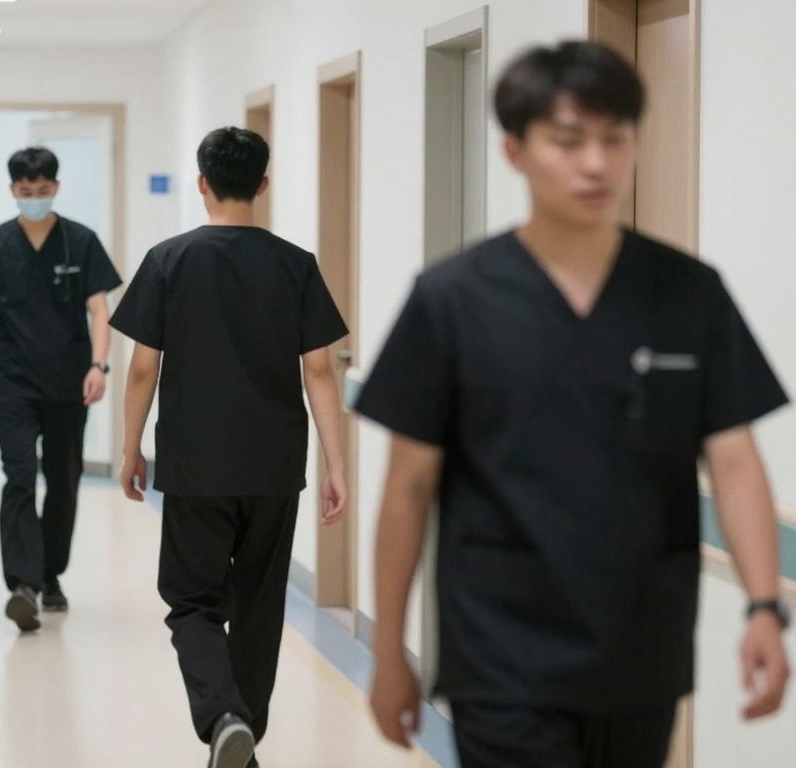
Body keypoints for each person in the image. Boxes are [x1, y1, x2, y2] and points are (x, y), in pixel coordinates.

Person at [358, 42, 791, 768]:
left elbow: (736, 460)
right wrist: (388, 650)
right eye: (567, 141)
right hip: (501, 653)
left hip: (641, 649)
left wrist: (763, 607)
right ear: (515, 151)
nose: (595, 163)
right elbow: (408, 488)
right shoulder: (452, 301)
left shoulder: (689, 295)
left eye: (615, 139)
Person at [112, 127, 350, 768]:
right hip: (274, 464)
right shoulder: (295, 264)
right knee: (259, 605)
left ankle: (222, 717)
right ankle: (244, 736)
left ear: (201, 183)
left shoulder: (169, 259)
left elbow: (142, 369)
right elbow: (321, 371)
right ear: (263, 185)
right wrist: (336, 462)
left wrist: (130, 448)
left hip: (194, 462)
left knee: (192, 601)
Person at [0, 146, 123, 632]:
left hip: (69, 381)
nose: (34, 198)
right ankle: (23, 585)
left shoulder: (81, 242)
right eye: (25, 192)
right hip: (12, 381)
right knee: (19, 476)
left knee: (64, 478)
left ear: (56, 187)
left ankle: (51, 574)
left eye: (42, 190)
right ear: (13, 191)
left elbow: (99, 308)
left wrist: (98, 365)